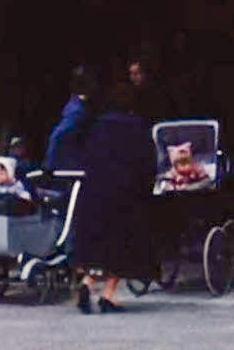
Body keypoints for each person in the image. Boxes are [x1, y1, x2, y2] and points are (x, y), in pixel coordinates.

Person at [72, 83, 157, 314]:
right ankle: (108, 296)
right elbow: (148, 161)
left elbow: (84, 154)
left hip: (95, 190)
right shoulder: (137, 126)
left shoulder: (97, 125)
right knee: (122, 245)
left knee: (99, 244)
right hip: (125, 193)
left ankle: (88, 283)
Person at [43, 65, 98, 172]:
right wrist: (49, 166)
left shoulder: (80, 105)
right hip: (69, 167)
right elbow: (58, 136)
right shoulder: (77, 110)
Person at [127, 57, 174, 123]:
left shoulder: (158, 94)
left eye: (137, 73)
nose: (134, 77)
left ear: (146, 74)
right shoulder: (129, 94)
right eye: (131, 73)